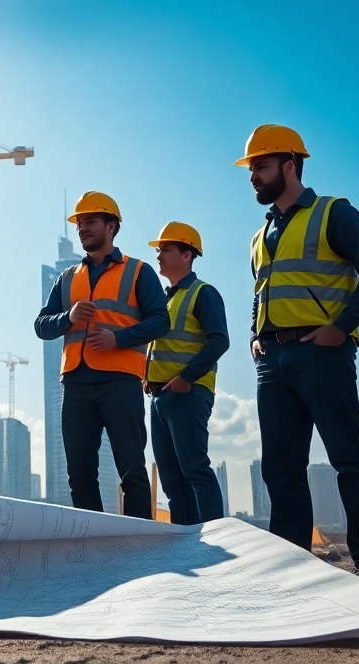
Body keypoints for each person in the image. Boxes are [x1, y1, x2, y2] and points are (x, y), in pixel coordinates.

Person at [239, 124, 359, 585]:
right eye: (250, 169)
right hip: (273, 360)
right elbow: (262, 290)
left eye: (260, 167)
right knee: (280, 467)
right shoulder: (260, 234)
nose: (253, 177)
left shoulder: (333, 214)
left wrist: (341, 327)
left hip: (321, 352)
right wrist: (255, 334)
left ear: (290, 166)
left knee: (348, 456)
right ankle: (291, 564)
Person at [35, 192, 169, 519]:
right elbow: (41, 326)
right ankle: (93, 546)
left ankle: (137, 542)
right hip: (76, 383)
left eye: (90, 222)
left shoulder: (139, 271)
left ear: (112, 226)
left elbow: (161, 321)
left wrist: (118, 338)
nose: (82, 228)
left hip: (120, 381)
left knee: (132, 470)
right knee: (79, 474)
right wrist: (68, 317)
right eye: (80, 223)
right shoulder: (66, 279)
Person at [144, 222, 229, 525]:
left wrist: (186, 379)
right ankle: (188, 546)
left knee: (195, 470)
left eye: (165, 249)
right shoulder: (165, 299)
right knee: (172, 480)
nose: (159, 256)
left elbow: (219, 340)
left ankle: (218, 539)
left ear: (187, 254)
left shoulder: (202, 293)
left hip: (187, 394)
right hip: (159, 397)